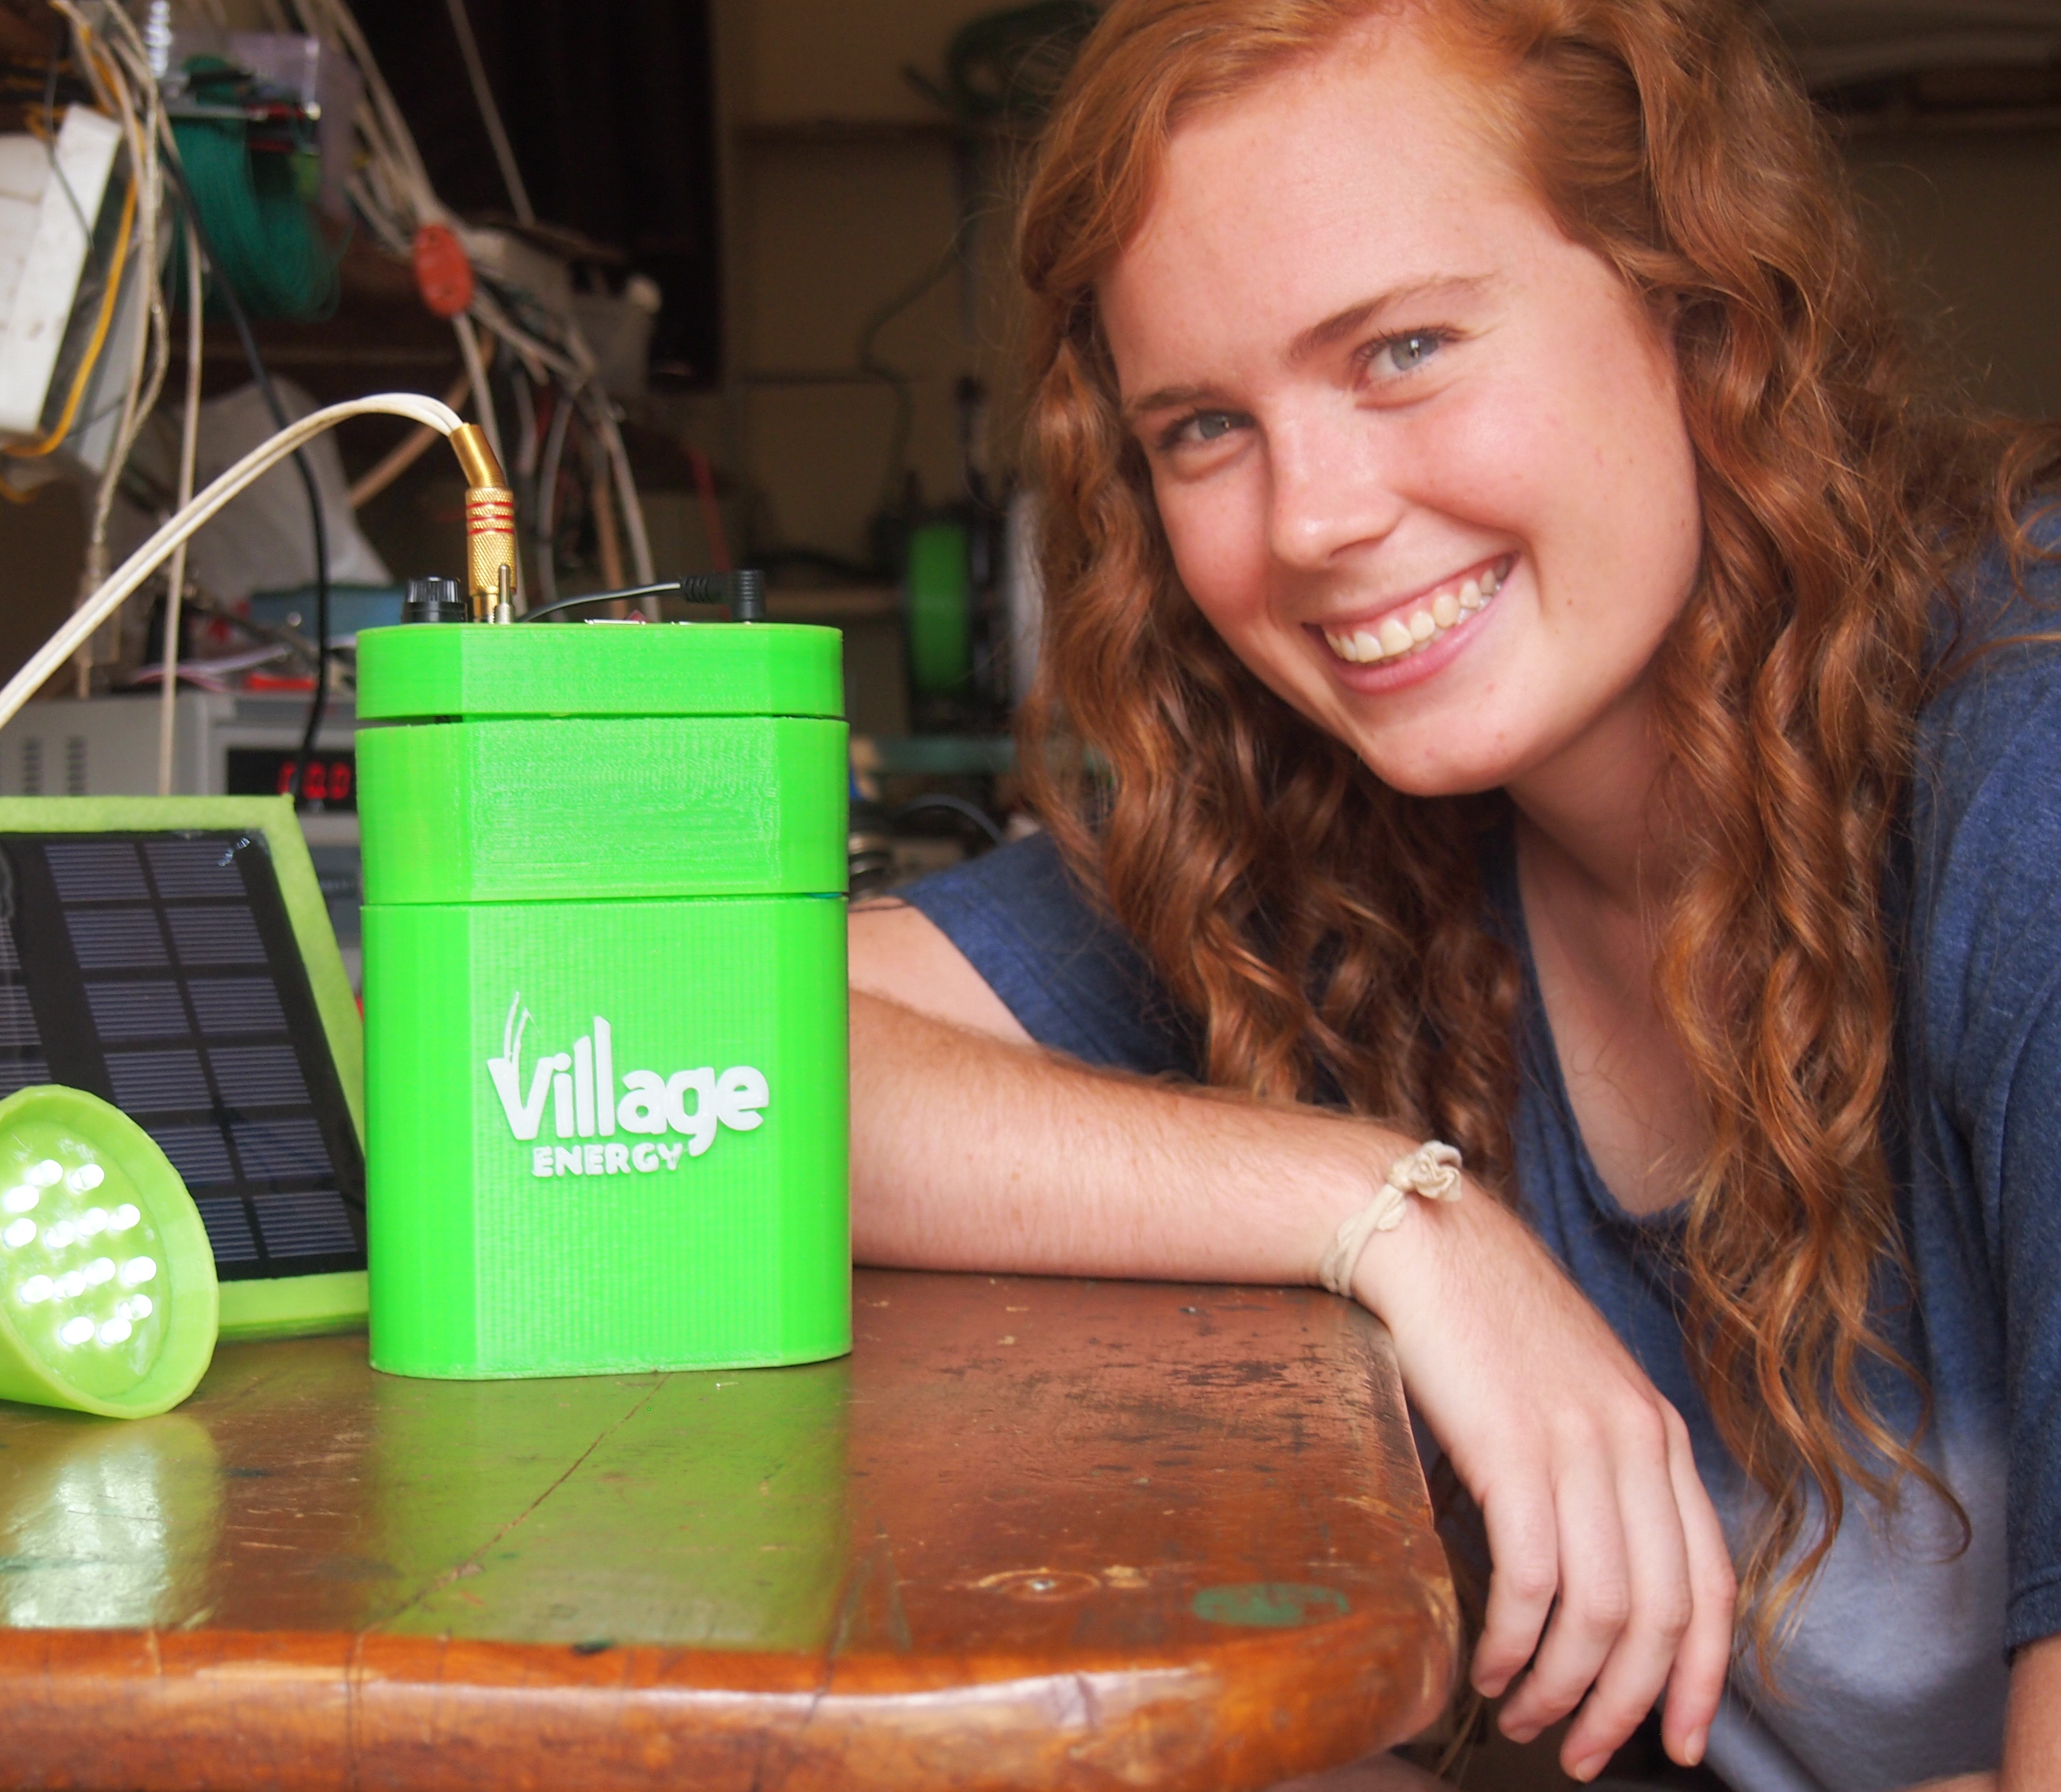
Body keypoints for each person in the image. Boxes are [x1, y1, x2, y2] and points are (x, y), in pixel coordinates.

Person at [846, 1, 2061, 1788]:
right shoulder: (1336, 842)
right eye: (1200, 428)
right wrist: (1394, 1216)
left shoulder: (2021, 779)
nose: (1315, 517)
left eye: (1403, 347)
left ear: (1698, 304)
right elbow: (693, 1063)